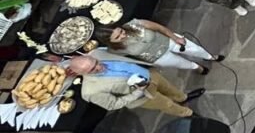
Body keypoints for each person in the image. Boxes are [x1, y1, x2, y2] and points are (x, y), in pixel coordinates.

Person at [68, 55, 202, 118]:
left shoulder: (97, 53)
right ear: (80, 73)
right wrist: (138, 92)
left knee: (169, 88)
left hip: (149, 75)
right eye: (92, 69)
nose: (99, 67)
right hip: (143, 96)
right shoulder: (90, 91)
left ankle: (183, 98)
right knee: (167, 104)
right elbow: (113, 104)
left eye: (96, 62)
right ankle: (187, 113)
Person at [98, 19, 221, 75]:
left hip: (167, 40)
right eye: (117, 37)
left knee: (194, 49)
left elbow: (159, 27)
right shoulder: (115, 50)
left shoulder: (135, 24)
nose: (123, 35)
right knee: (182, 64)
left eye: (120, 31)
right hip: (157, 57)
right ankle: (196, 67)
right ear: (110, 42)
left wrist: (175, 38)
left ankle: (209, 56)